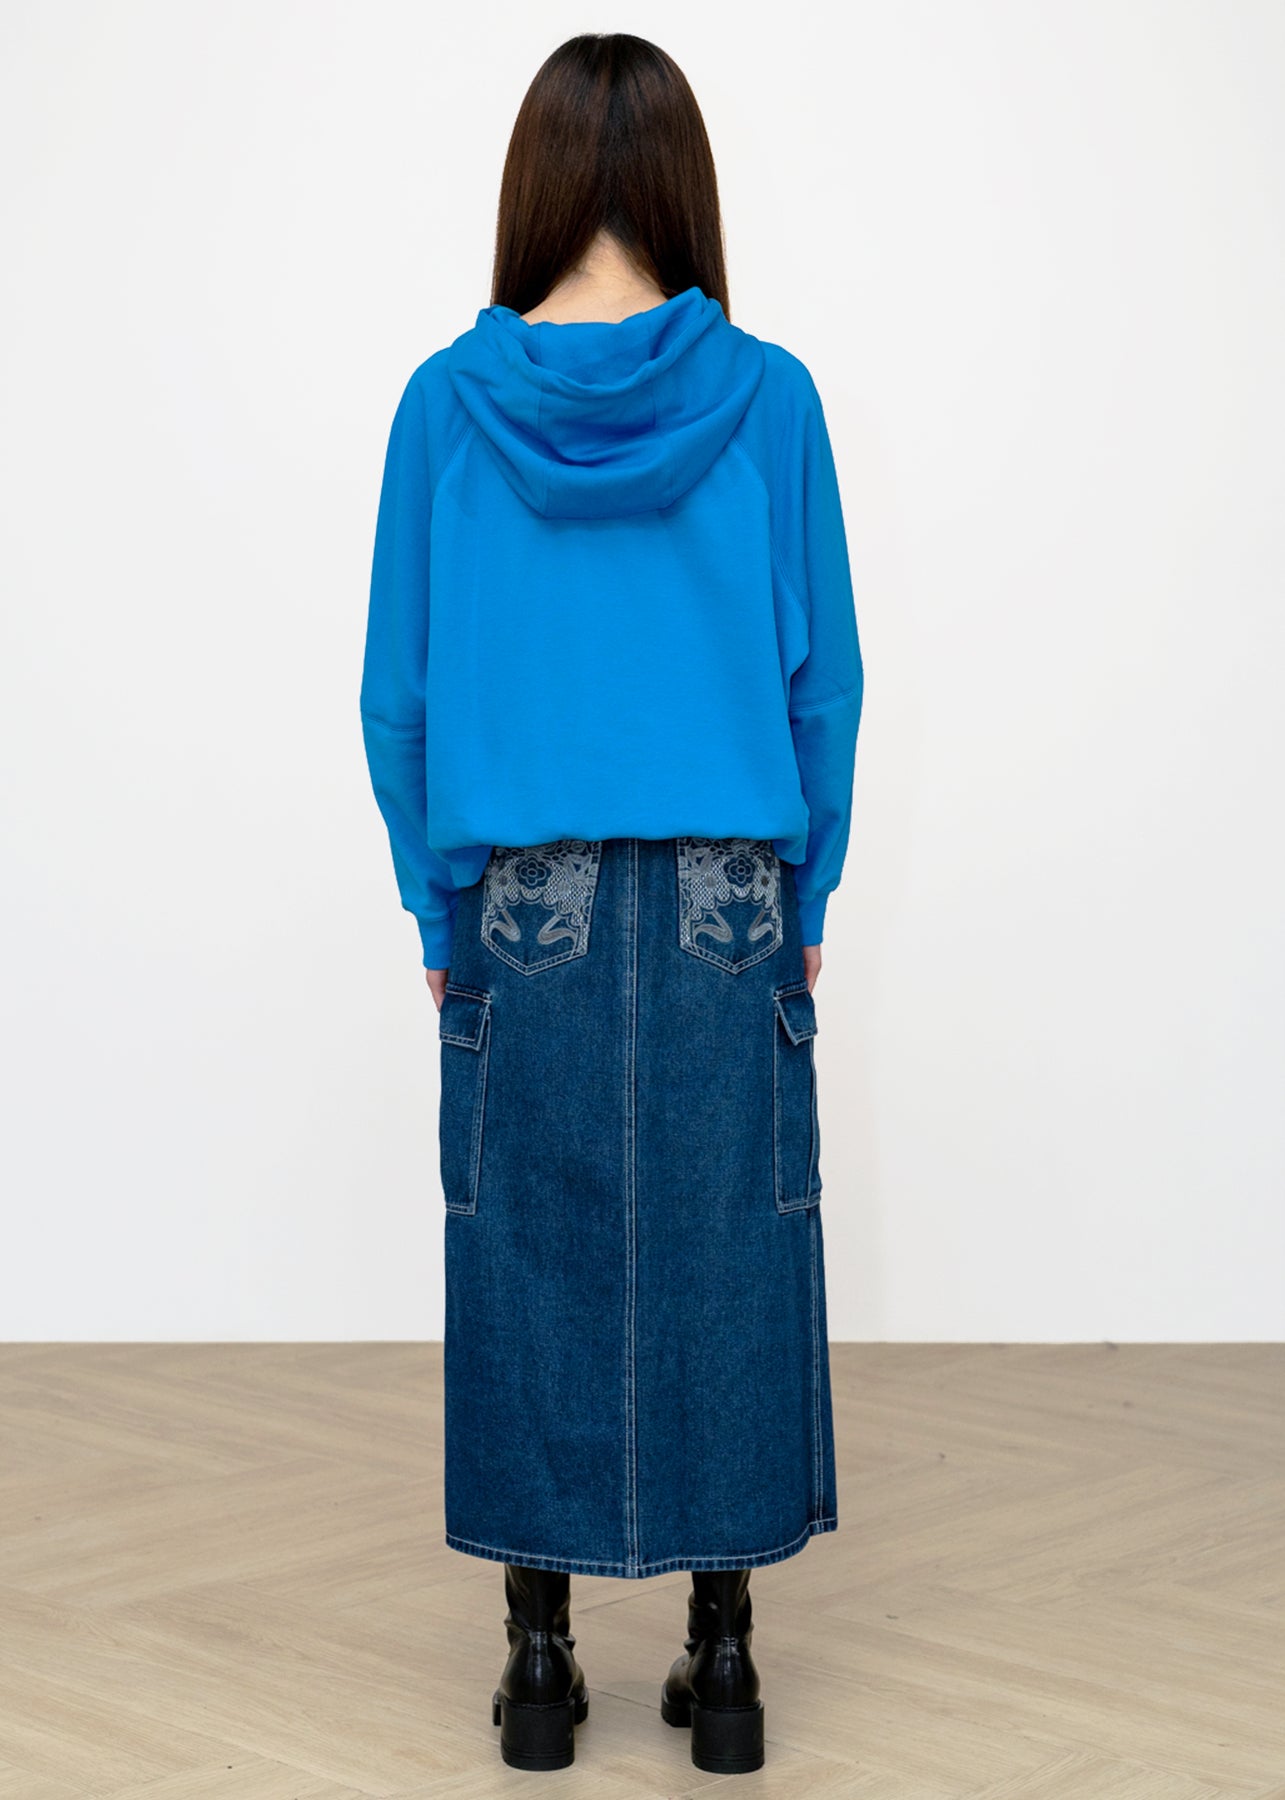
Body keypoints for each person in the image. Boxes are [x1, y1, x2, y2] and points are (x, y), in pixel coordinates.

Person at [359, 31, 864, 1778]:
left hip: (529, 893)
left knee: (529, 1251)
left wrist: (441, 913)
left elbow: (400, 698)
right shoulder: (772, 399)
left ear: (534, 189)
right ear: (678, 188)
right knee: (732, 1244)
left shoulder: (445, 405)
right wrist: (806, 885)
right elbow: (823, 683)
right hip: (726, 889)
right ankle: (723, 1659)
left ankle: (536, 1660)